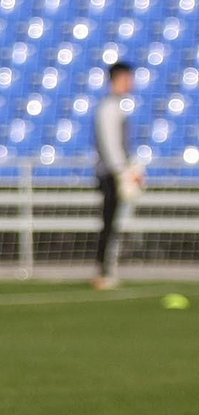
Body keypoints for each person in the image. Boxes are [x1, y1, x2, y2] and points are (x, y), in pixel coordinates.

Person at [93, 61, 141, 290]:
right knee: (109, 221)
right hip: (111, 173)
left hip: (117, 171)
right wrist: (123, 172)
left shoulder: (118, 106)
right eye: (127, 77)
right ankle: (104, 270)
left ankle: (108, 268)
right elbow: (110, 145)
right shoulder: (109, 107)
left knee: (114, 221)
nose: (130, 82)